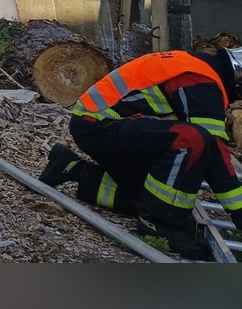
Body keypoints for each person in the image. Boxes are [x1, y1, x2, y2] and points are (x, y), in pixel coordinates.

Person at [38, 33, 242, 260]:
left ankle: (72, 168)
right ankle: (159, 226)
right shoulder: (200, 80)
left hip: (100, 123)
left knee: (149, 197)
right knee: (192, 140)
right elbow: (215, 153)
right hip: (100, 124)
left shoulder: (195, 68)